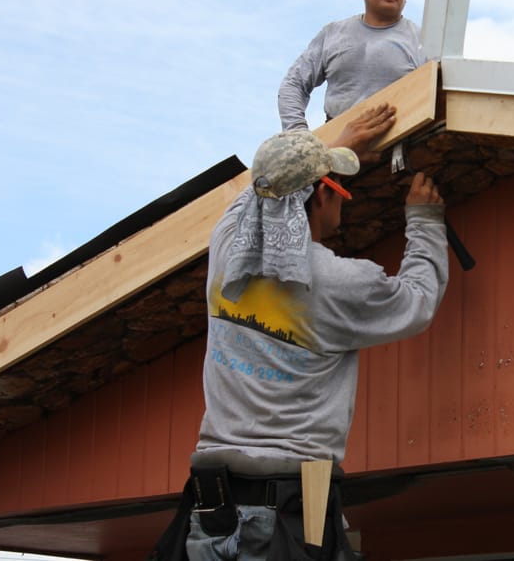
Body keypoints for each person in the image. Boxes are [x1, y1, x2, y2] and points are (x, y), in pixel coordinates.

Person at [148, 106, 449, 561]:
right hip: (291, 509)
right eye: (338, 186)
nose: (343, 196)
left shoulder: (226, 246)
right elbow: (417, 301)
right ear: (319, 194)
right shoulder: (338, 282)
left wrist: (333, 148)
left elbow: (260, 189)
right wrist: (425, 220)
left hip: (208, 506)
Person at [278, 0, 427, 131]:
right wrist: (297, 131)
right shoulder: (333, 34)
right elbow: (293, 84)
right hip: (339, 140)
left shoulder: (422, 41)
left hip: (400, 140)